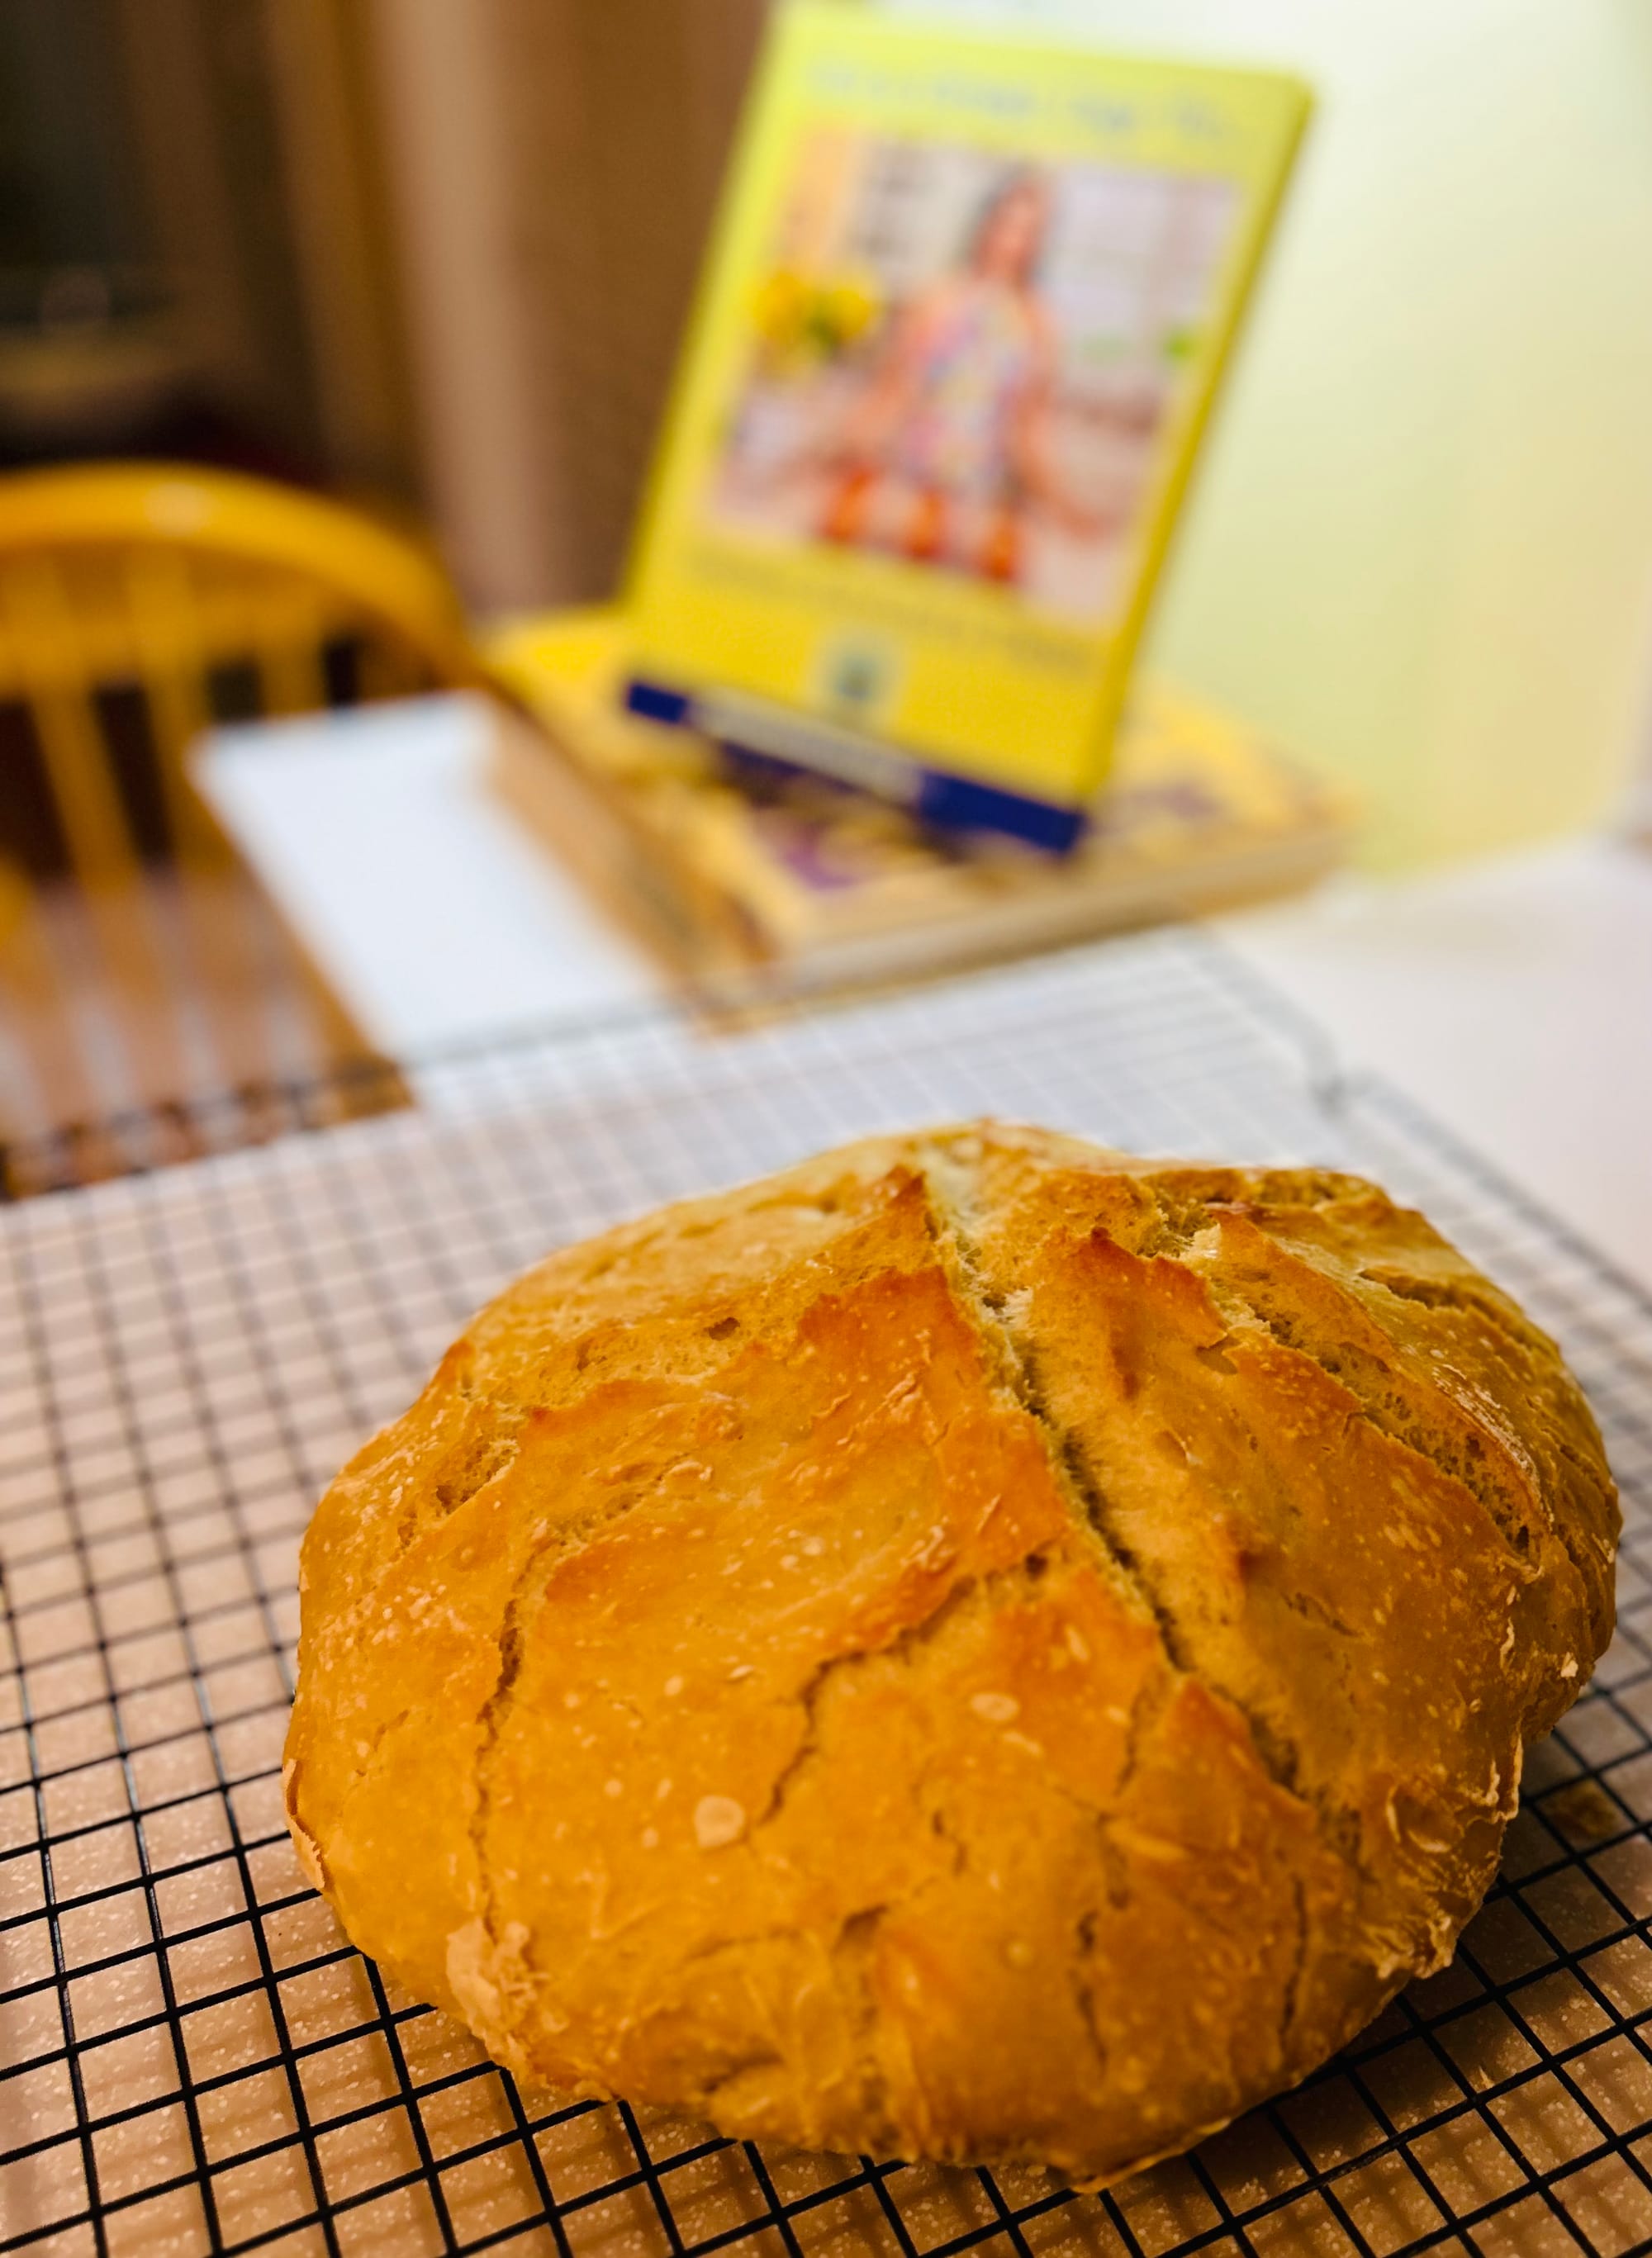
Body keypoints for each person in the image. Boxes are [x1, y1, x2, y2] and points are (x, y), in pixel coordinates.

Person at [819, 168, 1097, 582]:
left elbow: (1030, 432)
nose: (1012, 239)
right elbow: (892, 395)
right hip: (912, 481)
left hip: (982, 499)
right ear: (985, 222)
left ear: (1040, 242)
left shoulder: (1039, 325)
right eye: (1006, 222)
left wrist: (1066, 505)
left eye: (1028, 230)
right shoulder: (936, 298)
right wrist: (827, 449)